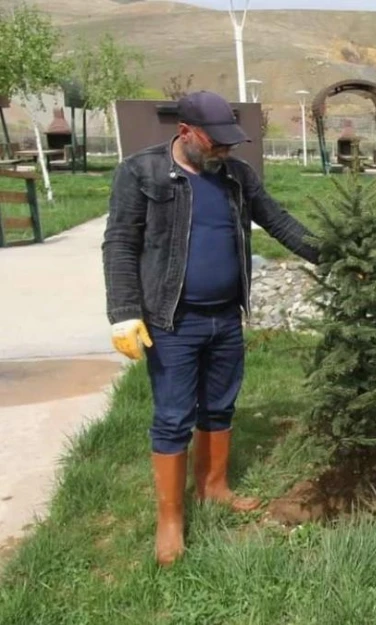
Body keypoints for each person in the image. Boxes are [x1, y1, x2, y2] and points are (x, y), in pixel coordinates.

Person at [101, 90, 320, 566]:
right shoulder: (143, 173)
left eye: (230, 142)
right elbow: (119, 243)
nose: (225, 150)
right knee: (174, 416)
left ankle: (214, 487)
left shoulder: (237, 177)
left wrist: (332, 253)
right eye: (216, 142)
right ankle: (171, 519)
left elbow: (278, 220)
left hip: (225, 316)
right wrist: (123, 311)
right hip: (172, 320)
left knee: (219, 405)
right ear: (185, 132)